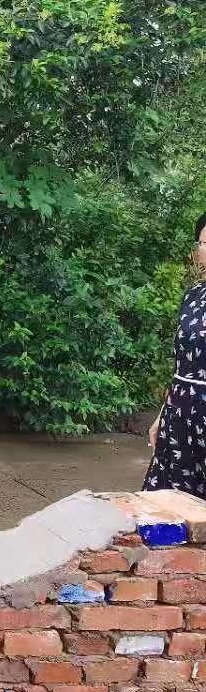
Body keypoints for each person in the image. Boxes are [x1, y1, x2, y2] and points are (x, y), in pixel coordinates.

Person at [143, 211, 206, 500]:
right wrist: (162, 414)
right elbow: (184, 363)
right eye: (203, 243)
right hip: (179, 413)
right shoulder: (194, 296)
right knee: (168, 504)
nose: (204, 249)